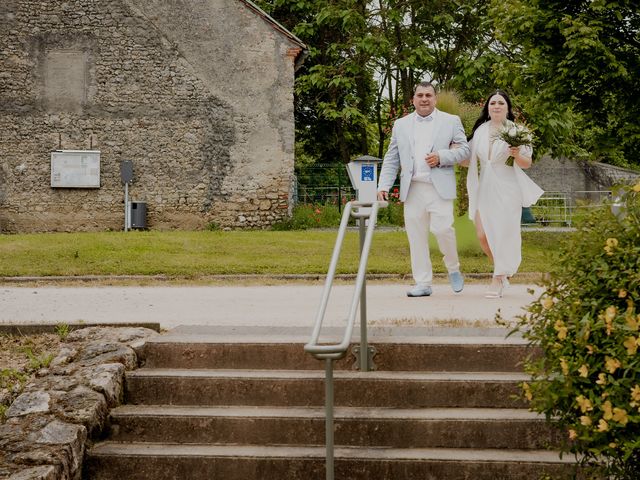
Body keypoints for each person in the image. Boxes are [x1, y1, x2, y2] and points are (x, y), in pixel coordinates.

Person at [377, 81, 470, 297]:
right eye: (420, 95)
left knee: (442, 230)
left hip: (439, 188)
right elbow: (392, 157)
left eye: (428, 95)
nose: (424, 99)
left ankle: (453, 268)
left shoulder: (451, 121)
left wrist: (441, 156)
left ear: (435, 99)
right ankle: (423, 282)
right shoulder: (401, 124)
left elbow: (464, 149)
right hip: (413, 189)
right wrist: (384, 185)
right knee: (416, 236)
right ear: (413, 100)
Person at [463, 89, 543, 298]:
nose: (496, 106)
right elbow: (466, 159)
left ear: (507, 108)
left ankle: (497, 279)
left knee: (503, 234)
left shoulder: (518, 131)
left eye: (500, 103)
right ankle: (502, 273)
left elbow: (527, 163)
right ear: (487, 109)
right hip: (484, 188)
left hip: (508, 188)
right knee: (482, 235)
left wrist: (517, 154)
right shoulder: (480, 131)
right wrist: (448, 151)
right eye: (492, 103)